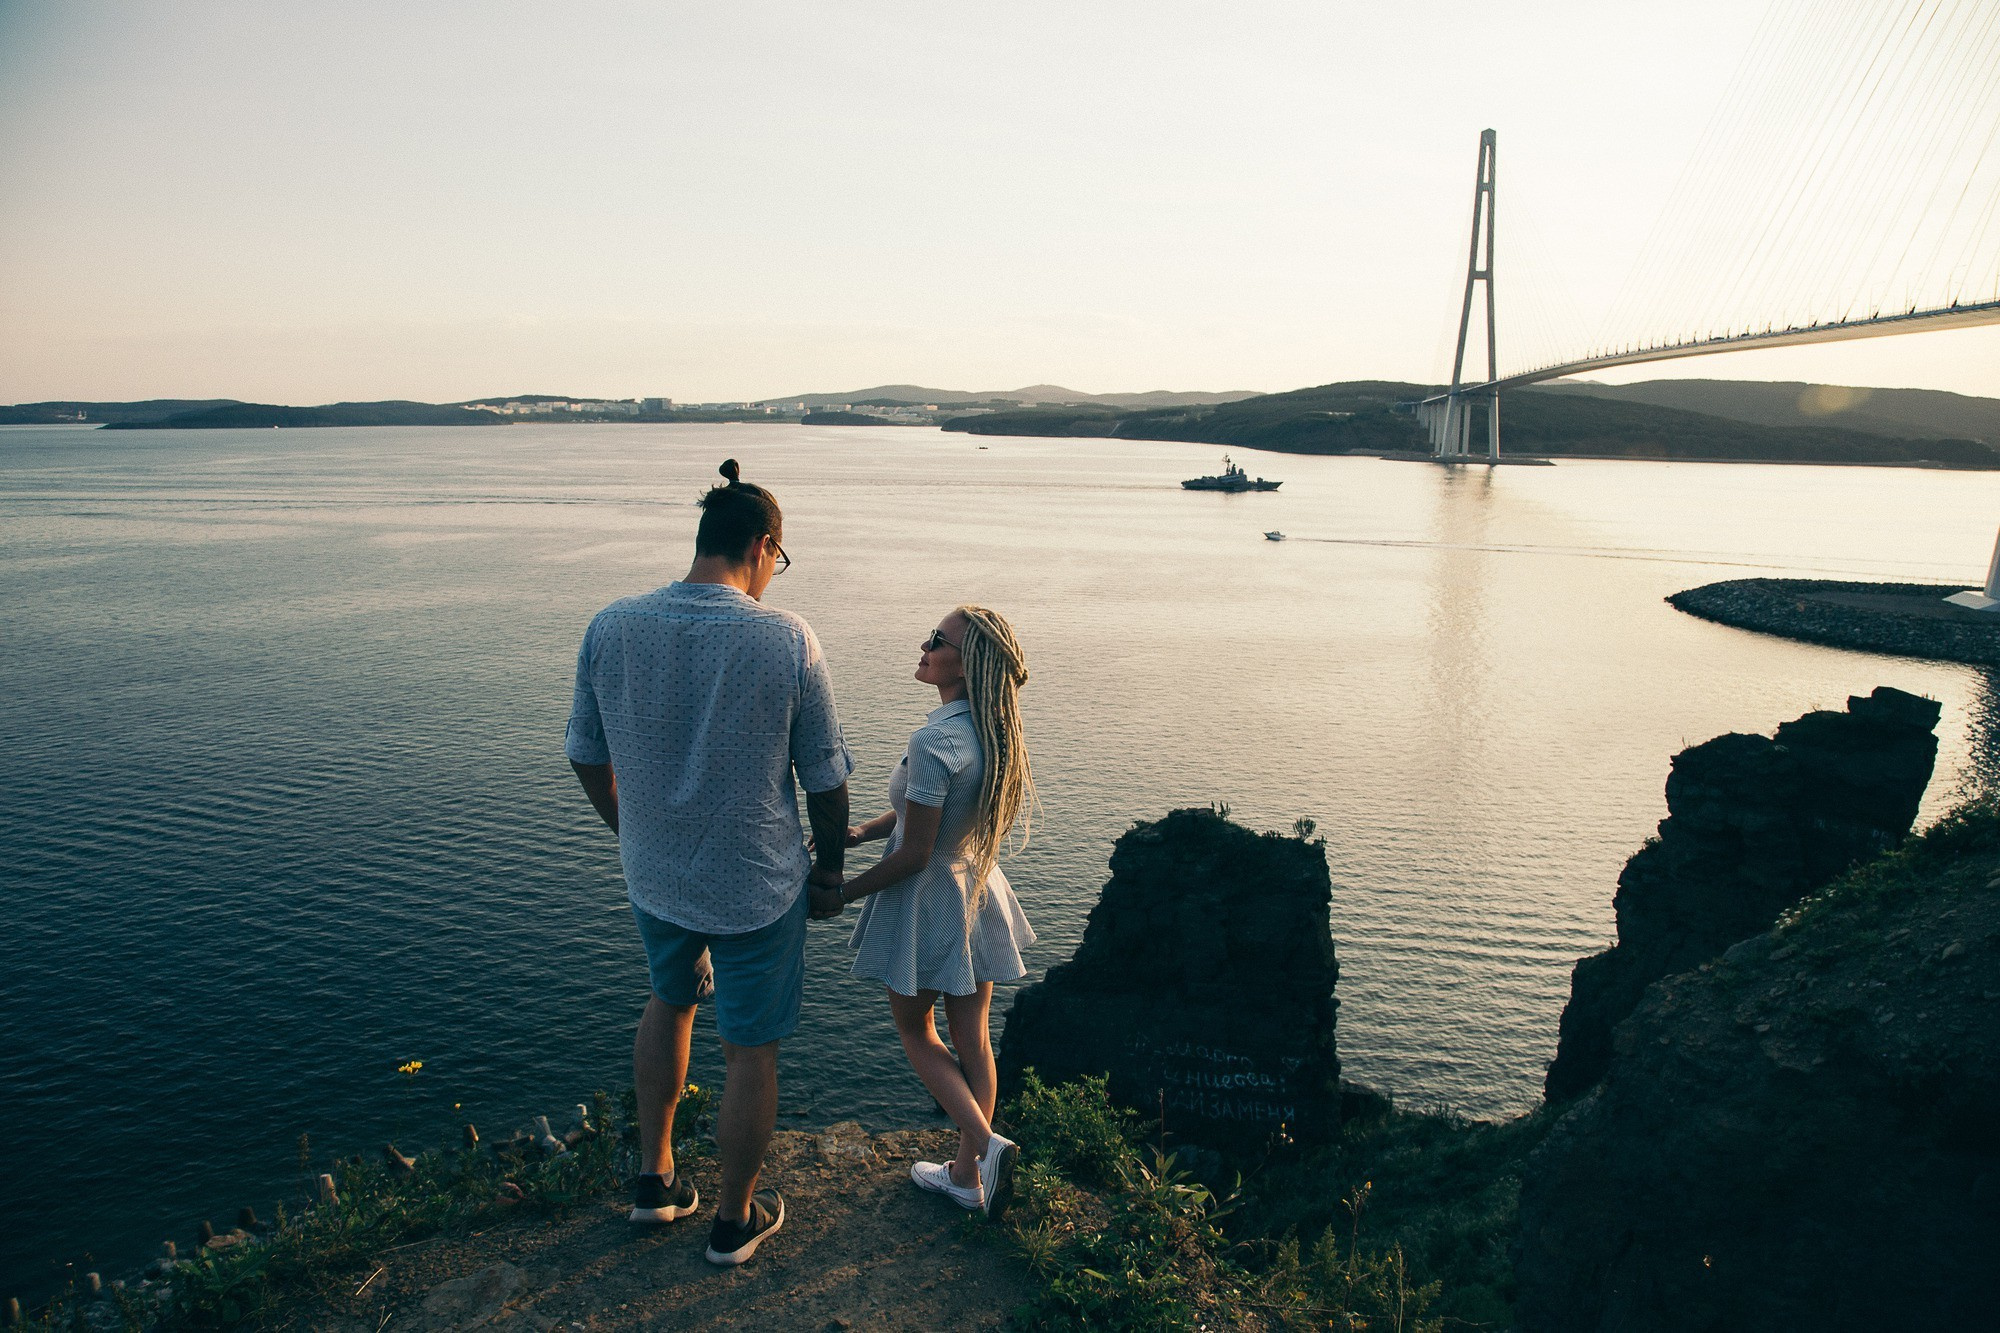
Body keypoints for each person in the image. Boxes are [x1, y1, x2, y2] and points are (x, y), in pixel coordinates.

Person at [567, 458, 852, 1267]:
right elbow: (827, 784)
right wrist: (828, 874)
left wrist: (628, 824)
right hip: (757, 881)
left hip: (656, 872)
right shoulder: (786, 638)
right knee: (750, 1049)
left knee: (668, 1002)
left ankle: (654, 1182)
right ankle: (733, 1220)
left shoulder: (611, 625)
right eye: (778, 560)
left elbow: (585, 755)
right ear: (763, 547)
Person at [810, 605, 1036, 1220]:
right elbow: (928, 813)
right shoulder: (993, 731)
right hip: (977, 885)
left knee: (917, 1030)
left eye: (937, 640)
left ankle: (988, 1148)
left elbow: (914, 853)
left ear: (966, 665)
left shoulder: (934, 740)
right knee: (973, 1038)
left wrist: (843, 892)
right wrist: (861, 831)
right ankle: (966, 1177)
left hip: (930, 898)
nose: (924, 645)